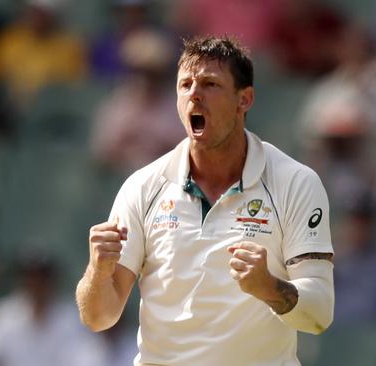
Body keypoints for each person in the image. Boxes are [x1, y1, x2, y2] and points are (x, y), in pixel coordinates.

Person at [76, 36, 335, 365]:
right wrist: (98, 271)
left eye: (210, 84)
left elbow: (320, 313)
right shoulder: (142, 187)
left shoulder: (294, 182)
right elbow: (100, 317)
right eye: (185, 85)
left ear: (245, 100)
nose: (194, 94)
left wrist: (268, 287)